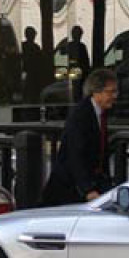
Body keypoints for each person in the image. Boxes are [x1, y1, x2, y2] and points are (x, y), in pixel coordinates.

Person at [41, 68, 117, 206]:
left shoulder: (101, 113)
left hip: (93, 182)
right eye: (110, 92)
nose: (114, 96)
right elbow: (75, 154)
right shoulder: (81, 115)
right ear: (96, 92)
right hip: (69, 189)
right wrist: (87, 189)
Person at [21, 26, 48, 103]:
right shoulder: (28, 47)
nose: (33, 36)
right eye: (31, 34)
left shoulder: (34, 47)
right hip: (29, 73)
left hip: (34, 74)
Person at [65, 25, 93, 101]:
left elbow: (86, 61)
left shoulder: (81, 46)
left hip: (81, 72)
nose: (78, 36)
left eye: (79, 34)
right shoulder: (70, 46)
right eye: (77, 34)